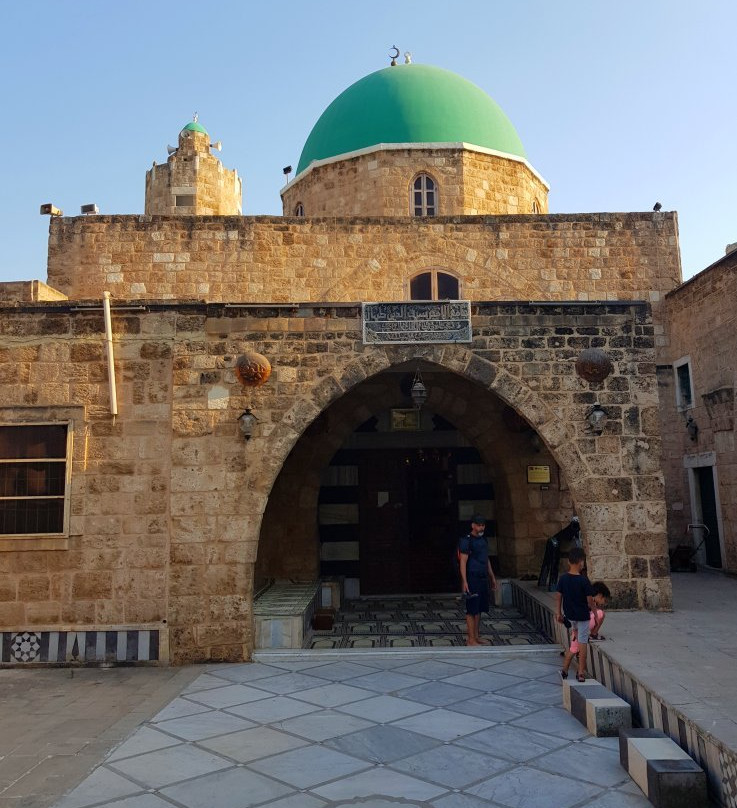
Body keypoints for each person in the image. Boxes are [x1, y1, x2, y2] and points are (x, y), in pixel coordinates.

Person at [555, 546, 595, 681]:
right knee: (583, 644)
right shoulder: (584, 580)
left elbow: (559, 596)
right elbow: (590, 600)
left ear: (568, 562)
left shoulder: (563, 579)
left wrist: (558, 612)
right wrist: (595, 611)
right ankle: (581, 673)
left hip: (570, 616)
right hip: (582, 617)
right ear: (580, 562)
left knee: (573, 645)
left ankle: (565, 670)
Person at [458, 514, 497, 646]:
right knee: (471, 609)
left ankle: (476, 636)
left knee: (479, 608)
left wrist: (492, 576)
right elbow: (463, 562)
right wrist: (464, 582)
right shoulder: (466, 540)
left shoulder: (484, 540)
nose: (481, 528)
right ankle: (470, 639)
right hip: (472, 577)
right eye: (479, 525)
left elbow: (486, 559)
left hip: (482, 577)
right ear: (473, 525)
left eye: (483, 525)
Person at [568, 580, 610, 656]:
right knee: (601, 613)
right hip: (580, 625)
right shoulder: (591, 601)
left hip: (576, 624)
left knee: (574, 649)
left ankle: (575, 654)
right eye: (604, 600)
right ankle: (594, 634)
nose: (604, 603)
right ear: (600, 595)